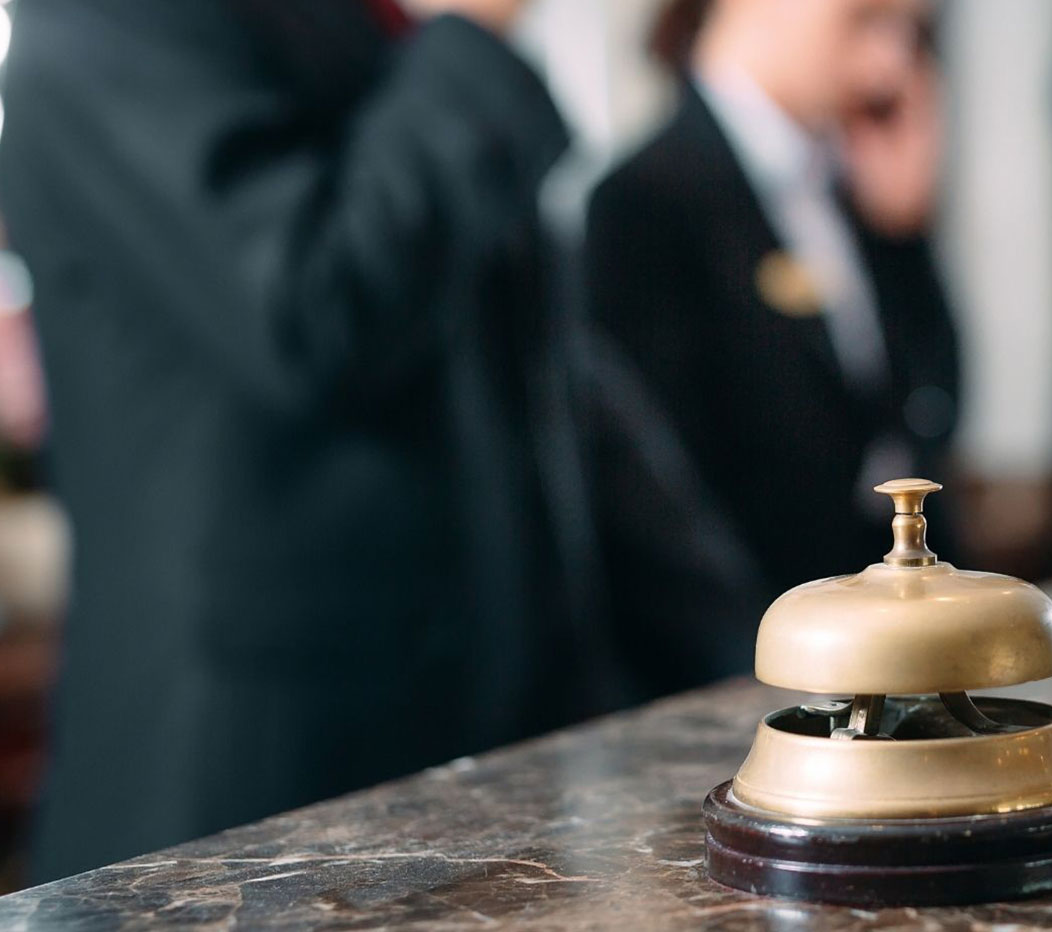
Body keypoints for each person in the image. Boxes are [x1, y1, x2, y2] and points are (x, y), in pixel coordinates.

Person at [0, 0, 636, 879]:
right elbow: (312, 315)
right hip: (258, 795)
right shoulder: (111, 16)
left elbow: (540, 380)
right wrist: (469, 30)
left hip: (486, 740)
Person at [586, 0, 960, 607]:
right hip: (760, 639)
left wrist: (905, 239)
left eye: (908, 34)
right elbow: (661, 493)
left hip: (888, 620)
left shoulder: (853, 180)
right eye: (865, 21)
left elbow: (919, 410)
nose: (890, 68)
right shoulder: (641, 201)